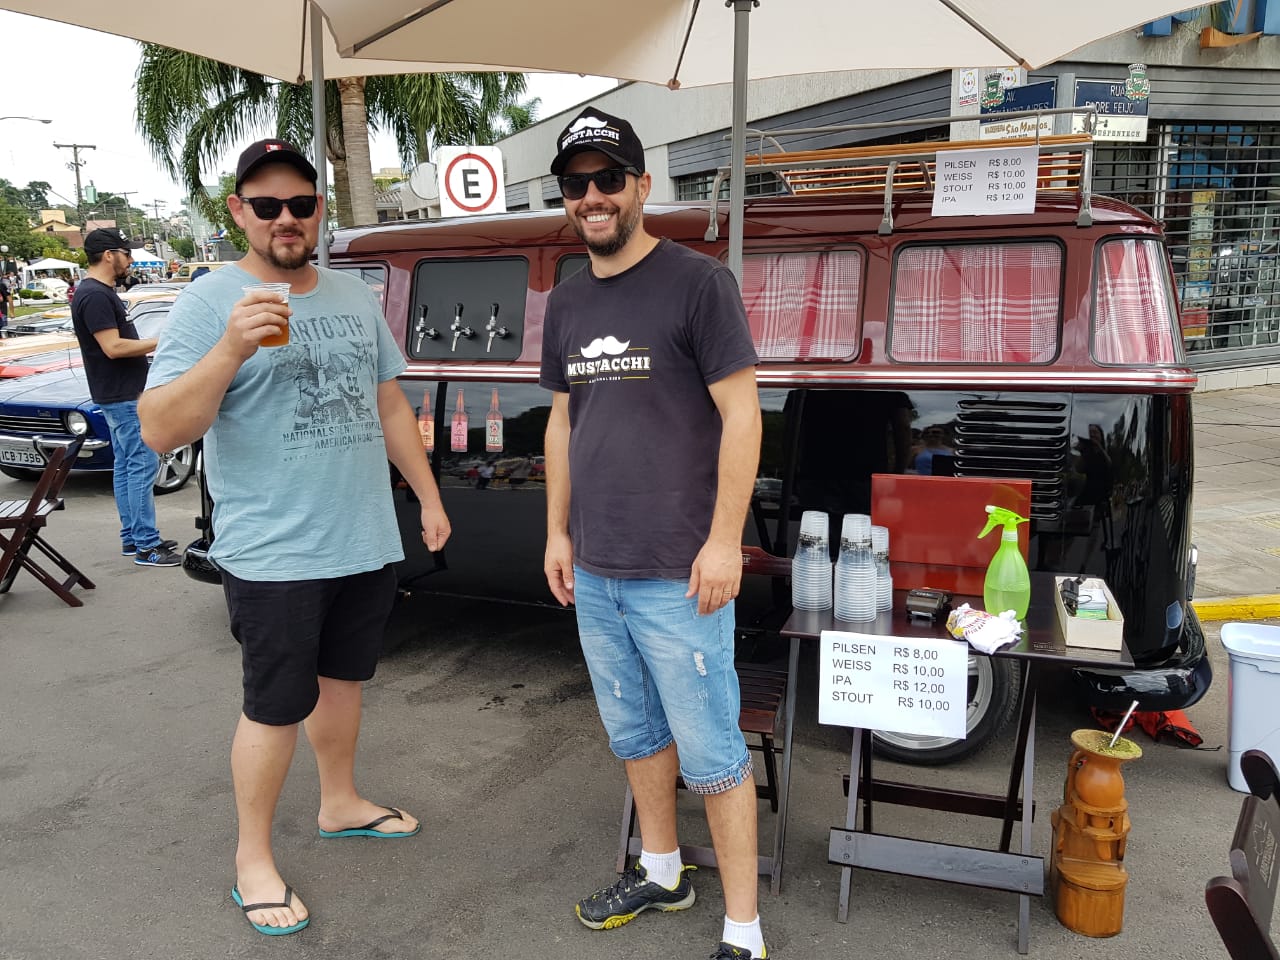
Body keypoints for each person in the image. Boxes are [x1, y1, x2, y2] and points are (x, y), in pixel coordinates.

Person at [138, 139, 452, 938]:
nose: (286, 218)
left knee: (345, 681)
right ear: (238, 212)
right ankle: (252, 858)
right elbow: (159, 428)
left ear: (320, 212)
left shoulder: (351, 296)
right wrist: (232, 347)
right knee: (276, 706)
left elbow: (387, 406)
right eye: (267, 205)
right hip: (274, 549)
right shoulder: (210, 301)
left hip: (361, 535)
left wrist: (426, 495)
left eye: (301, 204)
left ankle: (340, 801)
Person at [541, 108, 767, 960]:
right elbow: (563, 425)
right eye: (576, 185)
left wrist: (722, 541)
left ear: (642, 186)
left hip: (680, 570)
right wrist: (557, 534)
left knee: (712, 749)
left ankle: (743, 933)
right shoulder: (565, 299)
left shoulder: (699, 283)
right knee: (635, 732)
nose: (591, 198)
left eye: (607, 180)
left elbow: (743, 417)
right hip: (596, 569)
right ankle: (662, 869)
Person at [70, 228, 179, 566]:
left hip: (117, 393)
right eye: (126, 253)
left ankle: (133, 539)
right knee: (141, 466)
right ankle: (147, 545)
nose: (130, 260)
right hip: (123, 395)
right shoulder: (96, 296)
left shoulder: (96, 292)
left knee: (127, 467)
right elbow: (113, 348)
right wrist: (163, 341)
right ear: (108, 255)